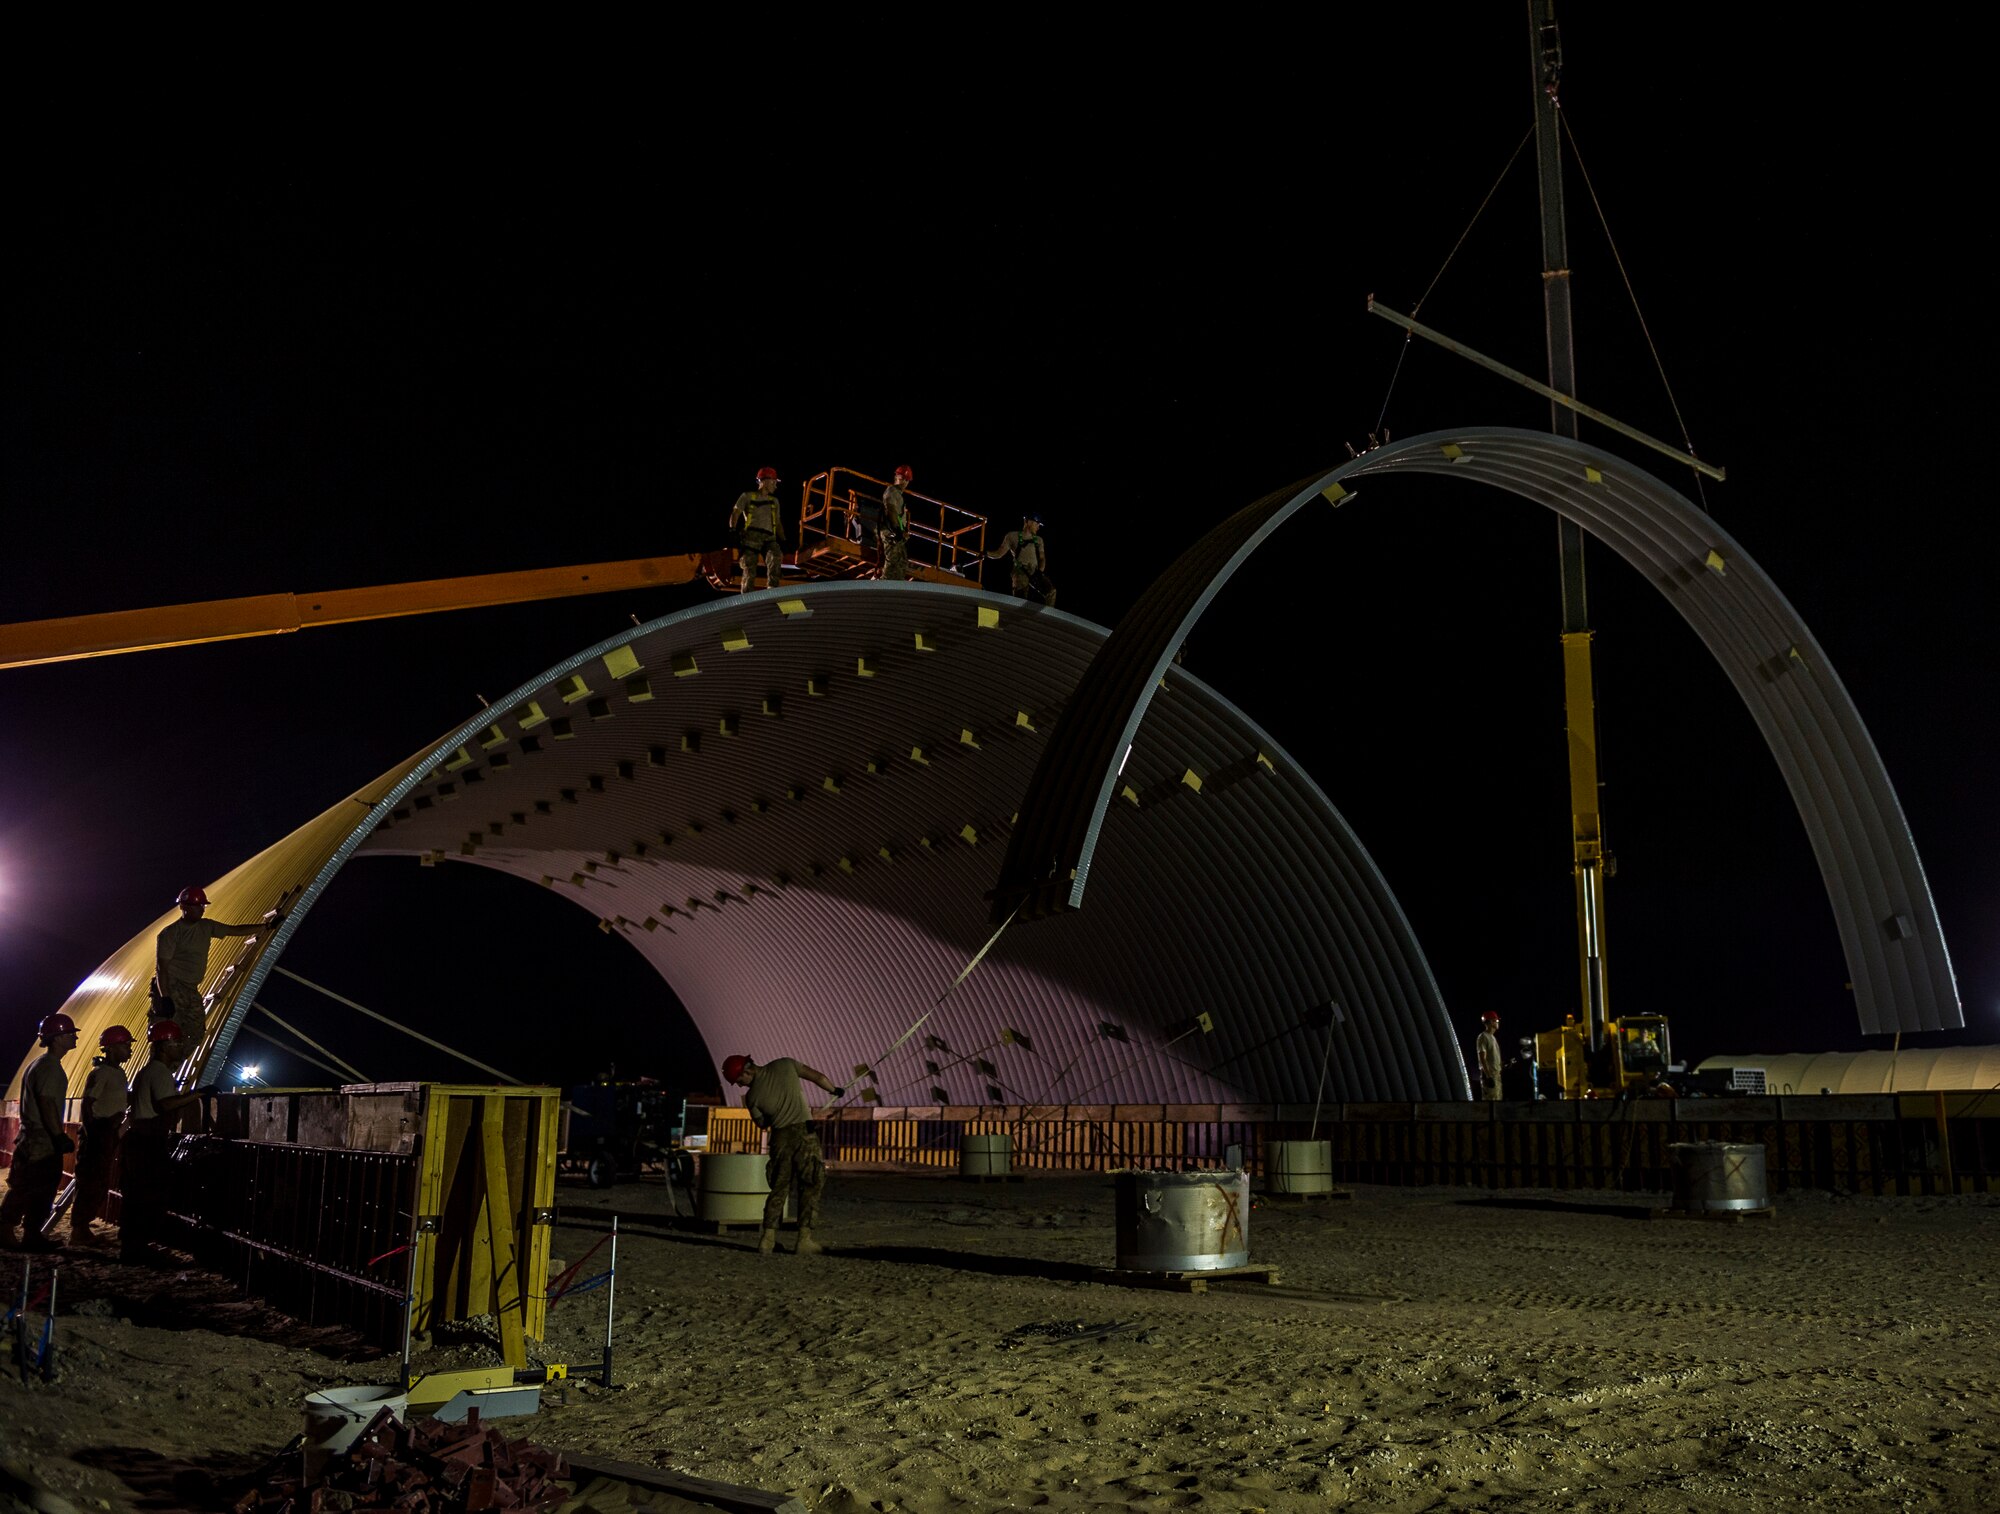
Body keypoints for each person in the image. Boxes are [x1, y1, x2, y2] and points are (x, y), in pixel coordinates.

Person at [723, 1053, 845, 1256]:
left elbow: (762, 1124)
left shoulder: (752, 1097)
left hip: (780, 1139)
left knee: (779, 1188)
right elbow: (818, 1077)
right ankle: (804, 1240)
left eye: (739, 1080)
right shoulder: (785, 1064)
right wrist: (835, 1090)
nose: (740, 1085)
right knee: (810, 1184)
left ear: (747, 1070)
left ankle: (767, 1240)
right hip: (805, 1134)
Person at [154, 885, 281, 1049]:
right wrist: (165, 997)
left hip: (190, 988)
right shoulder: (170, 933)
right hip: (172, 985)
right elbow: (161, 968)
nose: (202, 910)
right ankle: (163, 1067)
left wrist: (266, 927)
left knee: (197, 1031)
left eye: (203, 906)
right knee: (169, 1031)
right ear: (183, 907)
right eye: (197, 906)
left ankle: (174, 1064)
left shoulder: (206, 927)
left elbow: (234, 930)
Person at [121, 1020, 201, 1263]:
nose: (180, 1047)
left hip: (138, 1140)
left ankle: (133, 1246)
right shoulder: (160, 1072)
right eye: (177, 1042)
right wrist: (198, 1094)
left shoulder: (147, 1071)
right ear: (165, 1046)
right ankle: (139, 1249)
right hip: (148, 1141)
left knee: (137, 1196)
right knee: (150, 1195)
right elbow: (165, 1104)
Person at [0, 1013, 79, 1252]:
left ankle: (31, 1235)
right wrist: (58, 1135)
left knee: (39, 1189)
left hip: (35, 1137)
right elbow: (47, 1103)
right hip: (41, 1140)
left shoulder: (40, 1065)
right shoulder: (49, 1068)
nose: (74, 1037)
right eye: (70, 1033)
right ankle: (6, 1229)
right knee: (29, 1187)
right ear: (57, 1039)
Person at [70, 1024, 135, 1244]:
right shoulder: (101, 1073)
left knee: (98, 1182)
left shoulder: (119, 1073)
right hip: (98, 1133)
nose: (129, 1050)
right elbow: (88, 1105)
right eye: (125, 1045)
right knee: (89, 1181)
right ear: (113, 1047)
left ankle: (83, 1228)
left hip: (108, 1132)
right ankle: (78, 1230)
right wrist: (94, 1135)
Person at [728, 467, 786, 593]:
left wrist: (784, 540)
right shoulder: (747, 496)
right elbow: (735, 513)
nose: (775, 486)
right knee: (749, 567)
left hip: (769, 537)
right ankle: (747, 595)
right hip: (751, 537)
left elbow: (778, 522)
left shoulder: (774, 501)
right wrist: (732, 529)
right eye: (774, 482)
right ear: (764, 481)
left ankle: (773, 588)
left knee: (775, 556)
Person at [986, 513, 1055, 605]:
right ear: (1028, 522)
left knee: (1051, 591)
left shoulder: (1039, 540)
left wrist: (1040, 572)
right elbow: (999, 553)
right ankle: (1018, 614)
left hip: (1034, 570)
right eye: (1037, 523)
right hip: (1020, 571)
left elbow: (1042, 558)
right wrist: (986, 553)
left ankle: (1047, 615)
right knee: (1020, 596)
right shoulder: (1012, 536)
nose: (1038, 527)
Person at [880, 465, 914, 581]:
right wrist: (898, 530)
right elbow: (891, 510)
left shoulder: (898, 495)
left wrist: (902, 530)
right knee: (892, 560)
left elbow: (898, 517)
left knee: (902, 562)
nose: (903, 481)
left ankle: (897, 585)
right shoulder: (892, 491)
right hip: (891, 533)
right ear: (896, 477)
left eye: (905, 479)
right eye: (902, 478)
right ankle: (883, 584)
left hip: (897, 534)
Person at [1476, 1011, 1504, 1102]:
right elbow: (1482, 1058)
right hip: (1490, 1076)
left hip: (1496, 1076)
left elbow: (1492, 1059)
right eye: (1496, 1020)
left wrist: (1502, 1065)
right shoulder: (1483, 1037)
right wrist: (1488, 1076)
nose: (1497, 1022)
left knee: (1497, 1101)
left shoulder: (1493, 1037)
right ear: (1490, 1022)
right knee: (1491, 1104)